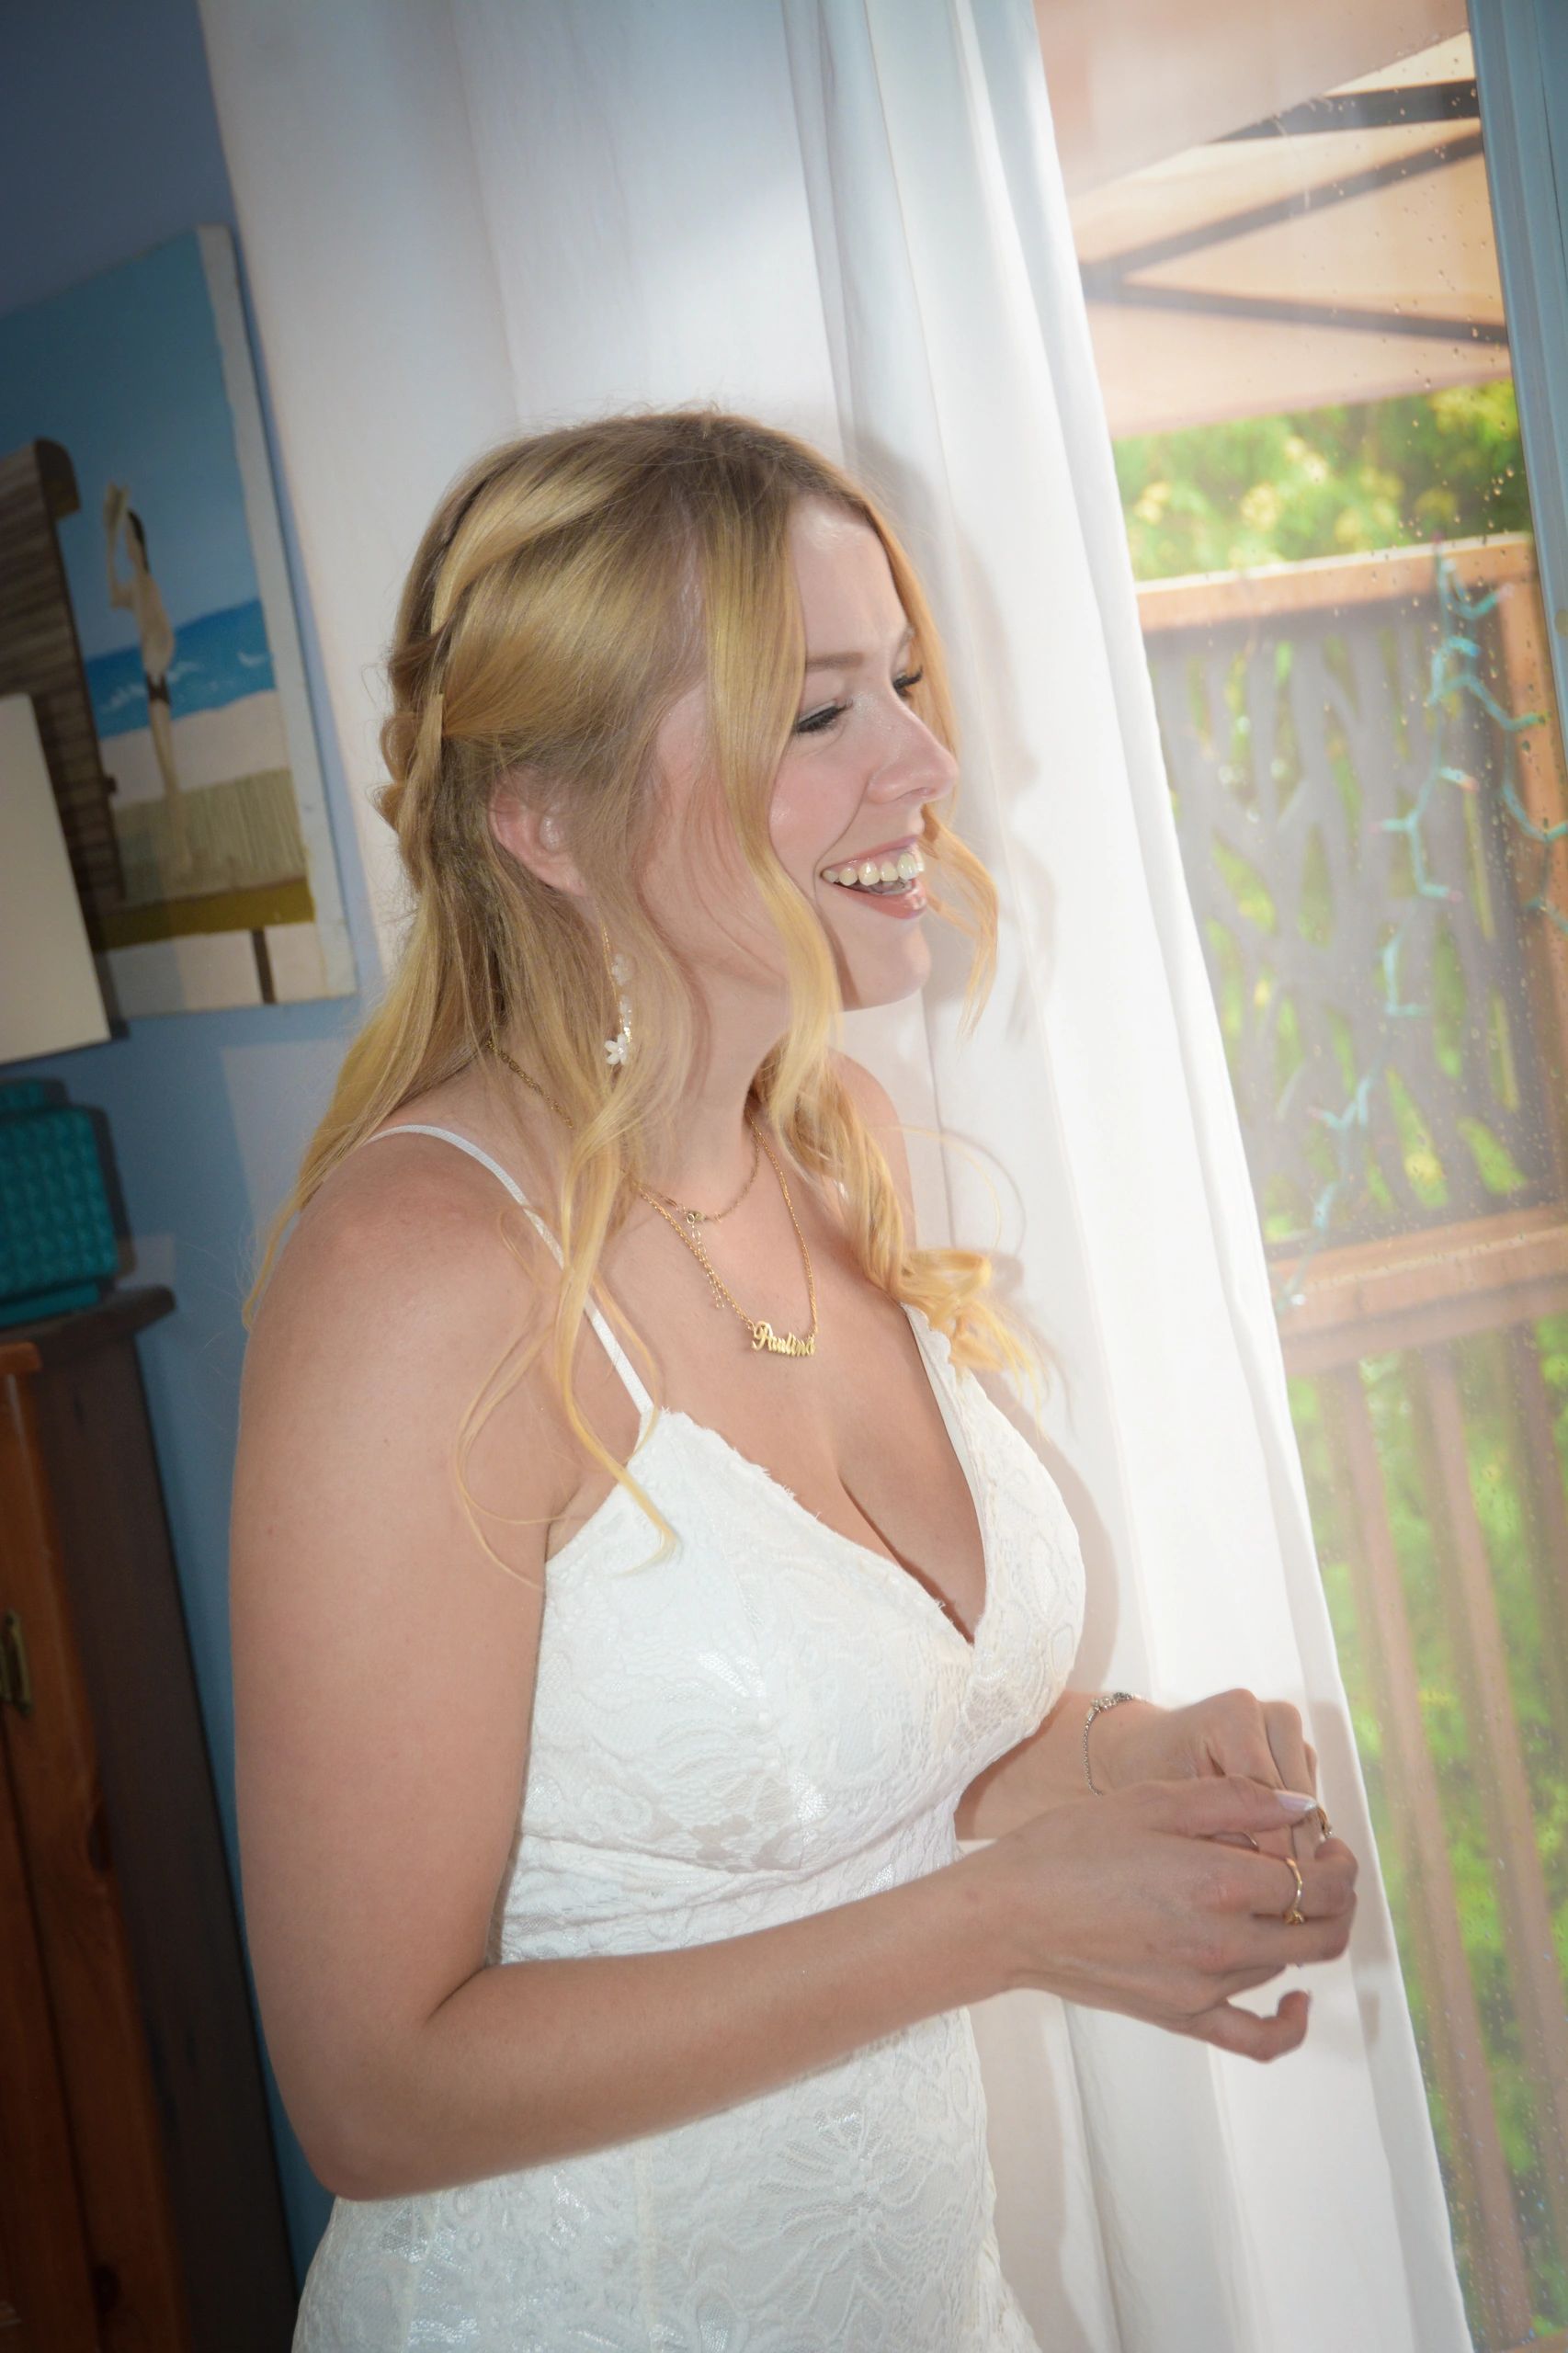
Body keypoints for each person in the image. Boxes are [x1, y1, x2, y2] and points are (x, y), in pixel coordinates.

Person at [230, 410, 1357, 2352]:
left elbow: (849, 1766)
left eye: (904, 682)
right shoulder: (418, 1276)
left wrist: (1121, 1766)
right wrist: (1005, 1920)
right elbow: (373, 2086)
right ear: (548, 817)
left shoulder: (824, 1135)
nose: (930, 760)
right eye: (818, 709)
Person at [102, 480, 194, 882]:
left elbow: (166, 634)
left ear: (141, 543)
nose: (128, 548)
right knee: (164, 773)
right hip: (150, 680)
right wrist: (107, 546)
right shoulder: (134, 588)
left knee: (170, 773)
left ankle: (185, 854)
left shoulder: (149, 586)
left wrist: (157, 662)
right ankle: (182, 852)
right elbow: (112, 597)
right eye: (125, 543)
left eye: (129, 541)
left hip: (156, 682)